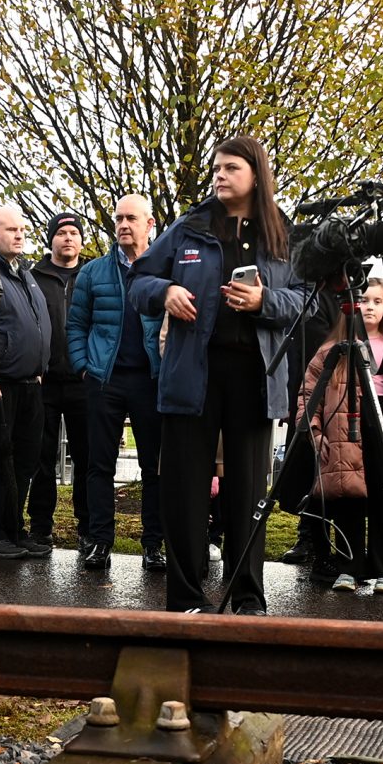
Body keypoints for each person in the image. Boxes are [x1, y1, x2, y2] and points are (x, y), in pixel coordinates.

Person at [127, 135, 308, 614]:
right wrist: (165, 292)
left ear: (256, 175)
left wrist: (265, 300)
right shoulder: (189, 227)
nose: (219, 176)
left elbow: (306, 301)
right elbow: (139, 280)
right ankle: (186, 599)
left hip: (254, 377)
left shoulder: (283, 233)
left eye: (231, 168)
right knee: (185, 490)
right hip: (192, 375)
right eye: (216, 168)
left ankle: (247, 596)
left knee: (247, 493)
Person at [298, 278, 383, 596]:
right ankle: (349, 567)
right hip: (346, 427)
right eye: (363, 301)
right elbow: (309, 392)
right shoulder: (334, 348)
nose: (369, 307)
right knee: (350, 496)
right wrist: (314, 431)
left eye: (377, 301)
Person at [68, 194, 164, 573]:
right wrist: (83, 367)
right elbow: (76, 325)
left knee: (154, 467)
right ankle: (100, 542)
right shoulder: (93, 272)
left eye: (131, 218)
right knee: (99, 465)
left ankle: (153, 546)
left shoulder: (164, 270)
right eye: (118, 218)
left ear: (149, 224)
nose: (123, 225)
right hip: (104, 381)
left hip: (151, 381)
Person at [0, 204, 50, 562]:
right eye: (11, 229)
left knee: (25, 462)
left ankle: (13, 529)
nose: (20, 234)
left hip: (30, 384)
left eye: (22, 229)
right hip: (0, 386)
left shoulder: (24, 273)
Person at [28, 211, 86, 554]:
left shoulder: (91, 275)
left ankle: (88, 529)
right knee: (41, 458)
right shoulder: (33, 277)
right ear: (51, 239)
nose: (68, 238)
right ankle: (40, 529)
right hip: (44, 382)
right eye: (62, 232)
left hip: (83, 381)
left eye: (74, 233)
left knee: (87, 459)